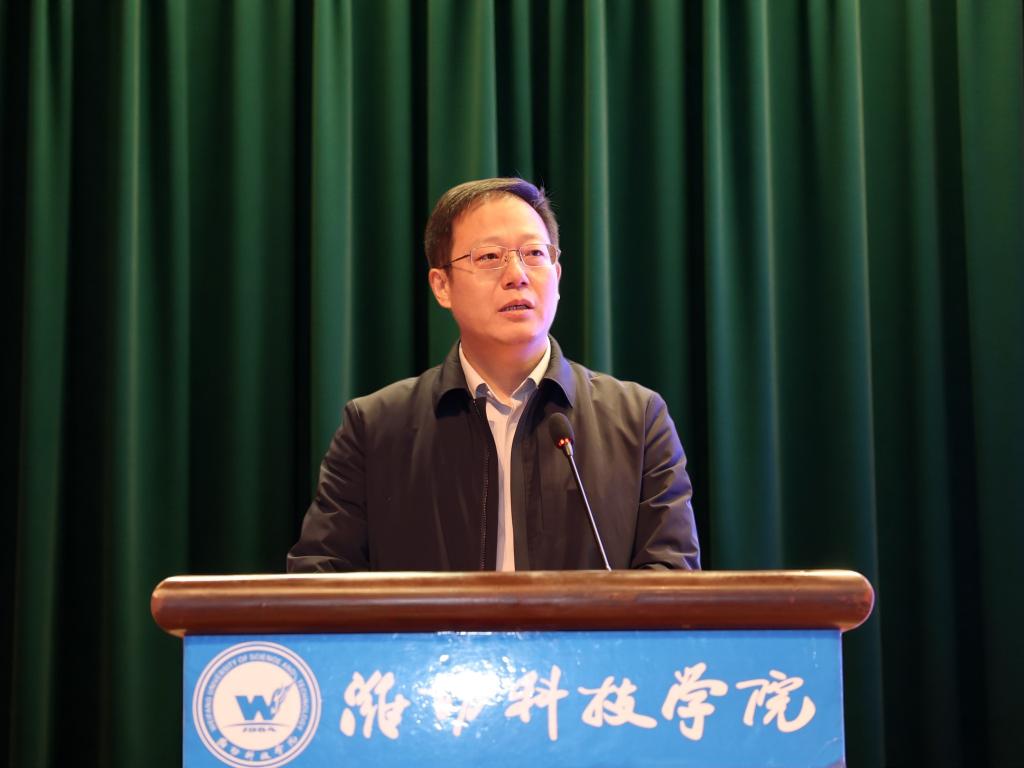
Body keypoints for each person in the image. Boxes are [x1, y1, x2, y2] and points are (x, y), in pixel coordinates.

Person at [287, 177, 700, 572]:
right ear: (442, 285)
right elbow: (320, 578)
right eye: (489, 257)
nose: (517, 275)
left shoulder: (638, 420)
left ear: (557, 277)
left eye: (534, 254)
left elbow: (671, 581)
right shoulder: (375, 427)